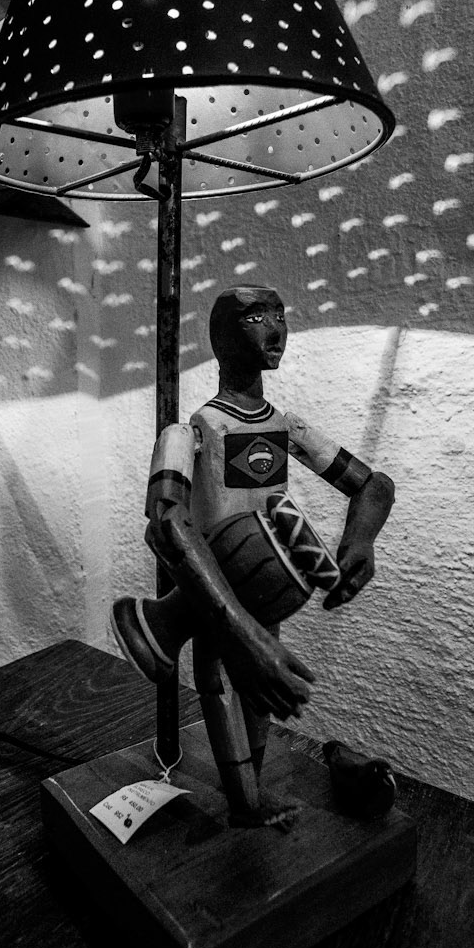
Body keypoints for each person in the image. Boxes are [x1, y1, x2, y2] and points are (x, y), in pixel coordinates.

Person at [112, 285, 397, 827]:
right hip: (217, 592)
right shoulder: (190, 431)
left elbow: (374, 486)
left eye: (279, 315)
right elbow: (166, 523)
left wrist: (360, 541)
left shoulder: (285, 425)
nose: (276, 328)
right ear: (221, 335)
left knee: (261, 697)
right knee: (221, 684)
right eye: (255, 317)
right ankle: (245, 803)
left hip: (268, 590)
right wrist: (238, 629)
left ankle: (253, 799)